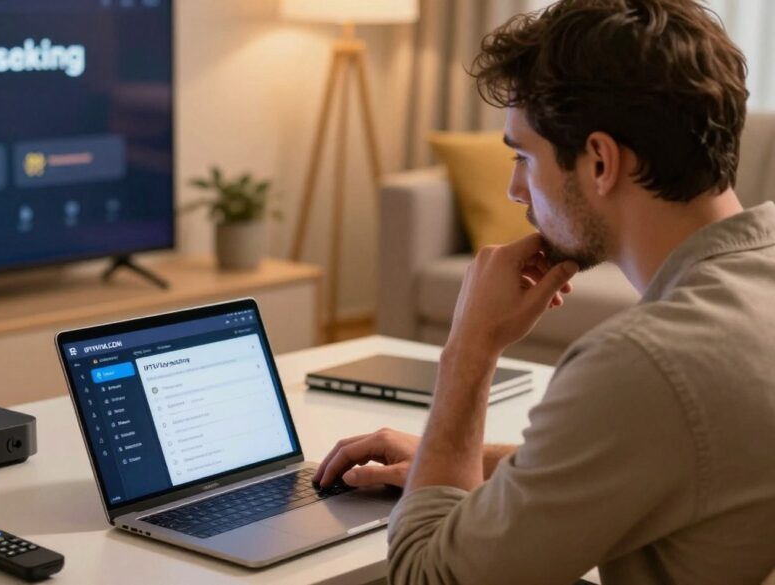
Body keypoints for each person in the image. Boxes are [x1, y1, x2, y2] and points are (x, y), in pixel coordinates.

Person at [313, 0, 775, 583]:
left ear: (601, 161)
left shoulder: (645, 363)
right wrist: (454, 456)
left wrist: (469, 350)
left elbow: (428, 576)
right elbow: (674, 464)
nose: (514, 189)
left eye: (523, 156)